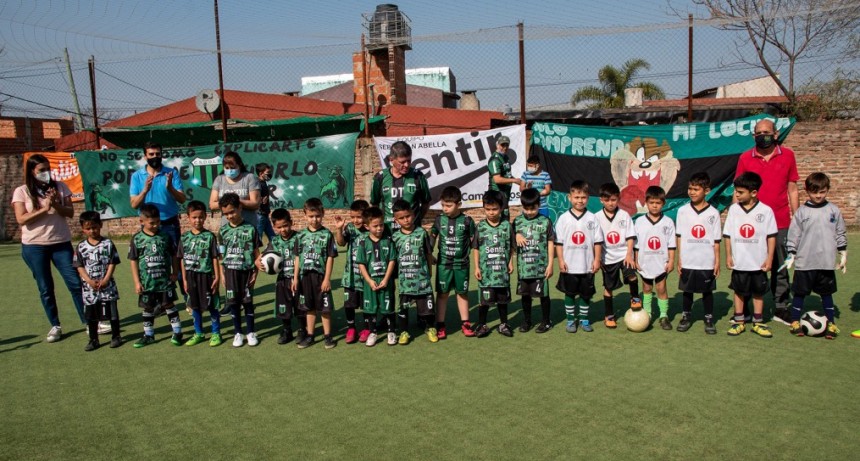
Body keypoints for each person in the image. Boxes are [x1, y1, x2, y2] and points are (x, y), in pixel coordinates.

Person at [13, 154, 86, 342]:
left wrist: (55, 205)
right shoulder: (22, 191)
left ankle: (88, 322)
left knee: (76, 283)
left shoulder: (60, 187)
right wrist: (44, 208)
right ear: (31, 172)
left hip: (61, 243)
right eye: (41, 170)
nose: (46, 173)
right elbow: (21, 219)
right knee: (46, 288)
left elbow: (69, 213)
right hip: (34, 247)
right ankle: (55, 325)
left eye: (47, 169)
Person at [735, 118, 799, 324]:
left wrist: (797, 219)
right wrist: (735, 216)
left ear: (776, 134)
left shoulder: (788, 156)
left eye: (767, 132)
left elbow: (793, 189)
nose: (763, 136)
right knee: (747, 265)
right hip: (751, 225)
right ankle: (742, 310)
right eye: (759, 133)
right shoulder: (745, 158)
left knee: (779, 265)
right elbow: (738, 191)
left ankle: (780, 307)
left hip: (780, 221)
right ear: (754, 136)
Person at [785, 172, 847, 339]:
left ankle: (831, 323)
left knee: (827, 294)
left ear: (827, 190)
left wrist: (843, 254)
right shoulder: (802, 212)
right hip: (805, 262)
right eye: (814, 192)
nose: (818, 195)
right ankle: (795, 322)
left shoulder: (834, 210)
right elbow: (794, 235)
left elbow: (840, 233)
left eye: (822, 192)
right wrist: (791, 254)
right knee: (799, 293)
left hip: (826, 263)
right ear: (807, 191)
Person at [724, 172, 777, 338]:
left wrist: (769, 258)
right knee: (738, 291)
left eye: (740, 192)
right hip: (740, 261)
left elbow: (771, 236)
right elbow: (728, 235)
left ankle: (758, 322)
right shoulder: (733, 210)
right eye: (736, 191)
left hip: (758, 262)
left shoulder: (766, 211)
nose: (737, 195)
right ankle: (739, 321)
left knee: (758, 292)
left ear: (753, 192)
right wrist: (729, 255)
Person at [128, 203, 182, 348]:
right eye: (151, 223)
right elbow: (133, 260)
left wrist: (175, 272)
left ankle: (177, 332)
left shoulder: (165, 237)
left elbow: (174, 255)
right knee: (148, 308)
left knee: (169, 305)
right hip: (147, 282)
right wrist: (137, 282)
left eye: (157, 222)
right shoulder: (137, 239)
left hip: (164, 281)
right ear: (142, 221)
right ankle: (149, 335)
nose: (155, 225)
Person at [674, 173, 721, 334]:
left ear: (706, 190)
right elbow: (679, 235)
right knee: (687, 291)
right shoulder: (682, 211)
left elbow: (716, 240)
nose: (692, 192)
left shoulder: (713, 213)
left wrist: (717, 261)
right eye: (690, 189)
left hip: (706, 260)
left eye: (696, 189)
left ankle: (709, 318)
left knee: (707, 291)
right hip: (688, 259)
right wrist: (680, 259)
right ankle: (686, 316)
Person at [554, 180, 604, 333]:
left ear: (588, 198)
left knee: (586, 294)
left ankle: (584, 319)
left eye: (583, 197)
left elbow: (597, 241)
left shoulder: (592, 218)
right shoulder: (563, 218)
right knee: (569, 293)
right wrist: (561, 260)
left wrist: (596, 260)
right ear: (570, 197)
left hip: (587, 265)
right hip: (569, 265)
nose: (580, 200)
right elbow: (559, 243)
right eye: (576, 197)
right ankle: (570, 320)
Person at [432, 186, 477, 339]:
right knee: (443, 294)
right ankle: (440, 325)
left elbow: (474, 242)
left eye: (449, 205)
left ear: (459, 204)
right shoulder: (439, 220)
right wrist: (429, 254)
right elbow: (432, 237)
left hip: (461, 265)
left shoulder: (467, 221)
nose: (445, 209)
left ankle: (465, 323)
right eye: (443, 205)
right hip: (444, 264)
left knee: (462, 294)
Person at [292, 197, 338, 349]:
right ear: (305, 215)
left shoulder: (327, 235)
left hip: (320, 277)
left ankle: (328, 336)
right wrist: (295, 278)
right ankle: (310, 335)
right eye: (311, 216)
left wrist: (327, 279)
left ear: (323, 214)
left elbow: (331, 257)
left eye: (317, 215)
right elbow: (297, 257)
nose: (314, 219)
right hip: (305, 277)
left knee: (324, 309)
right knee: (309, 308)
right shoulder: (300, 236)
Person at [73, 211, 122, 351]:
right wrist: (88, 280)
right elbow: (79, 266)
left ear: (100, 225)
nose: (92, 231)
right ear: (83, 229)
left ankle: (116, 336)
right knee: (91, 314)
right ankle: (93, 339)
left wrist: (106, 278)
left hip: (107, 286)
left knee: (112, 312)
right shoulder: (81, 247)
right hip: (90, 289)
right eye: (88, 228)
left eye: (94, 227)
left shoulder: (107, 243)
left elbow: (113, 262)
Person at [391, 199, 438, 344]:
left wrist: (429, 271)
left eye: (408, 216)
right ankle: (404, 331)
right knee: (403, 308)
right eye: (401, 218)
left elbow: (428, 253)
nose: (406, 220)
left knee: (428, 308)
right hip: (405, 281)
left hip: (422, 279)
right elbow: (393, 259)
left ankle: (430, 328)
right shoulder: (395, 237)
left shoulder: (422, 233)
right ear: (396, 219)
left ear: (413, 214)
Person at [217, 193, 261, 348]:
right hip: (230, 272)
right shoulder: (222, 232)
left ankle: (250, 332)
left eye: (232, 212)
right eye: (226, 213)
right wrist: (222, 274)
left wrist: (256, 272)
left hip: (246, 272)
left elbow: (257, 254)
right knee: (233, 303)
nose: (229, 216)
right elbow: (221, 256)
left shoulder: (251, 229)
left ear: (240, 208)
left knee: (248, 303)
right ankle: (238, 333)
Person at [178, 200, 222, 347]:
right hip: (191, 277)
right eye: (194, 217)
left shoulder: (210, 237)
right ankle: (199, 333)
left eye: (201, 217)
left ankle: (216, 333)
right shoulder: (184, 237)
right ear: (188, 217)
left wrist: (217, 276)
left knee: (212, 306)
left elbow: (215, 258)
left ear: (205, 217)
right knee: (194, 306)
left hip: (207, 276)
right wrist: (184, 279)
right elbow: (182, 260)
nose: (198, 220)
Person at [471, 190, 515, 337]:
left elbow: (510, 247)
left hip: (502, 272)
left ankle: (504, 324)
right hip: (486, 272)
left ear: (501, 208)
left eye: (494, 209)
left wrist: (510, 262)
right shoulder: (481, 226)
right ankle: (482, 325)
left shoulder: (507, 226)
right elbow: (476, 247)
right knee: (484, 302)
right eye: (488, 209)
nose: (491, 212)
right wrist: (477, 267)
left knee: (502, 301)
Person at [595, 182, 639, 329]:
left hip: (623, 255)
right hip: (607, 258)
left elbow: (630, 236)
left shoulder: (624, 215)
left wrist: (629, 255)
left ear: (618, 199)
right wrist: (598, 258)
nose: (610, 203)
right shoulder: (597, 217)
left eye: (613, 200)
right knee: (608, 287)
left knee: (632, 275)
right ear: (601, 199)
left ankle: (634, 298)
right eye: (607, 200)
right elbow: (595, 241)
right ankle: (609, 315)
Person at [633, 186, 676, 331]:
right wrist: (636, 259)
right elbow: (636, 244)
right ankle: (648, 314)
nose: (655, 205)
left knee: (661, 288)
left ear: (663, 203)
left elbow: (671, 244)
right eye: (652, 202)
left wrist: (671, 260)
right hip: (645, 262)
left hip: (661, 262)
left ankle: (664, 316)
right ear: (646, 202)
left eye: (658, 203)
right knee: (646, 287)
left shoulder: (668, 222)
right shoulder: (639, 222)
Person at [512, 188, 555, 333]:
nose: (529, 211)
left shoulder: (545, 221)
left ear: (539, 205)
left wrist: (550, 264)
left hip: (540, 267)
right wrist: (516, 235)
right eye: (526, 208)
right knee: (525, 295)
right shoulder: (517, 221)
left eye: (533, 208)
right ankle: (527, 321)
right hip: (523, 267)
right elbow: (510, 242)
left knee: (543, 295)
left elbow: (550, 242)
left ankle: (546, 321)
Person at [356, 207, 398, 346]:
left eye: (381, 225)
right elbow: (361, 264)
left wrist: (386, 279)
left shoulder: (388, 240)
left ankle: (391, 331)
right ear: (367, 226)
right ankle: (373, 332)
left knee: (388, 307)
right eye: (375, 226)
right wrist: (369, 281)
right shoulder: (363, 243)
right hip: (371, 283)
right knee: (371, 309)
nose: (379, 228)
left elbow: (392, 260)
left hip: (386, 281)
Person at [371, 140, 431, 230]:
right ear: (391, 160)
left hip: (411, 232)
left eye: (409, 161)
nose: (406, 165)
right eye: (402, 162)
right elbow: (374, 204)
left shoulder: (418, 176)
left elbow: (426, 203)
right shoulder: (380, 177)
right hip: (388, 231)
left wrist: (416, 220)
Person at [334, 199, 369, 344]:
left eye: (359, 217)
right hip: (351, 275)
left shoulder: (371, 229)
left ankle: (367, 328)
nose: (356, 220)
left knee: (367, 303)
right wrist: (339, 229)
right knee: (349, 303)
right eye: (353, 217)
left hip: (367, 275)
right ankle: (351, 328)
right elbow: (341, 243)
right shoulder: (349, 228)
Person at [209, 151, 261, 228]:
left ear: (239, 165)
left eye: (233, 168)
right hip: (227, 226)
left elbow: (255, 203)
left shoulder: (249, 178)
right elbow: (212, 205)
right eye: (227, 168)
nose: (230, 170)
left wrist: (236, 201)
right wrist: (229, 202)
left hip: (248, 226)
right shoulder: (219, 179)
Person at [488, 135, 525, 219]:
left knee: (505, 217)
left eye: (506, 145)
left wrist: (520, 182)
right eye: (502, 145)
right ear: (497, 145)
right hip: (497, 193)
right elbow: (497, 179)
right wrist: (514, 180)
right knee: (499, 218)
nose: (504, 147)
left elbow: (507, 174)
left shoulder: (505, 157)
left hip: (505, 193)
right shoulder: (495, 160)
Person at [255, 163, 275, 244]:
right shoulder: (258, 183)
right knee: (257, 238)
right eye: (267, 173)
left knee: (273, 238)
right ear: (261, 173)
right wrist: (260, 201)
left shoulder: (263, 183)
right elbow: (254, 197)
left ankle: (276, 253)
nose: (269, 175)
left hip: (265, 214)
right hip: (260, 215)